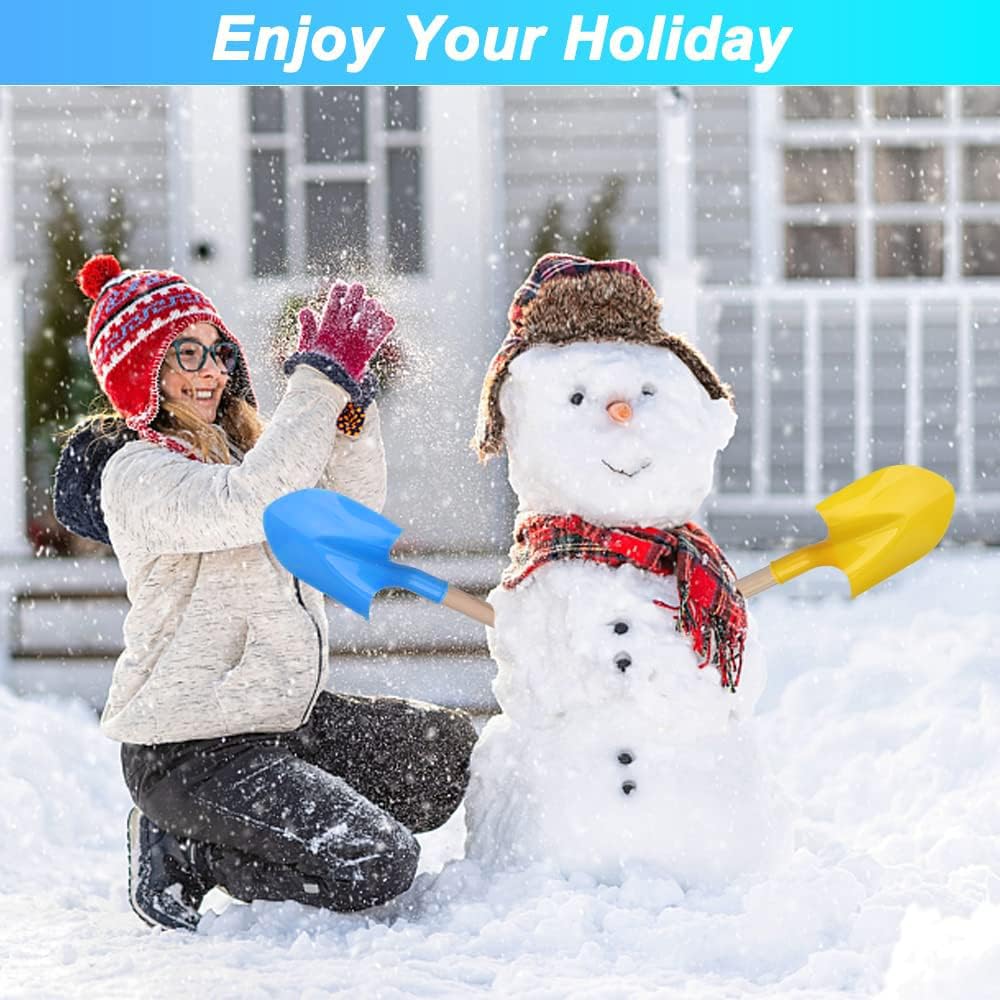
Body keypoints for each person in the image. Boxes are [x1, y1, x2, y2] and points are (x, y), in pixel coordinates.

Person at [53, 254, 478, 931]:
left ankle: (265, 820)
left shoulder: (244, 457)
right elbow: (253, 503)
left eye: (218, 350)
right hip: (189, 750)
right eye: (186, 353)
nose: (212, 370)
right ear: (143, 374)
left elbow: (349, 525)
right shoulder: (138, 475)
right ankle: (187, 852)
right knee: (375, 861)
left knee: (443, 755)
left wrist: (348, 416)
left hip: (281, 719)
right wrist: (316, 383)